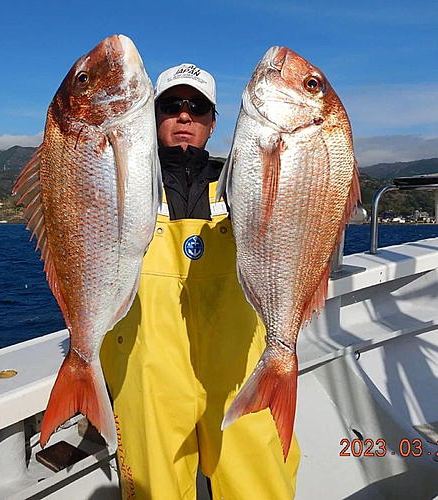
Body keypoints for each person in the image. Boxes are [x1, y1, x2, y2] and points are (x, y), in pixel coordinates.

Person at [101, 63, 300, 500]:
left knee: (260, 483)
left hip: (241, 368)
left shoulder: (245, 180)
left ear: (213, 121)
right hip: (146, 368)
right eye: (171, 106)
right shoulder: (125, 181)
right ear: (153, 118)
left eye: (197, 107)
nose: (184, 116)